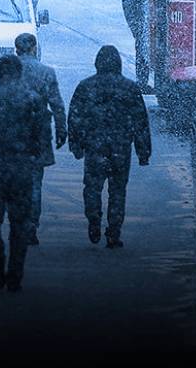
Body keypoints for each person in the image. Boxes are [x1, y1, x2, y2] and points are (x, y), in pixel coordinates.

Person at [0, 55, 47, 292]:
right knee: (20, 224)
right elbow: (40, 137)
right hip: (21, 169)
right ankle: (15, 273)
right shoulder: (32, 100)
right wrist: (33, 156)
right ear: (19, 73)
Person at [68, 46, 152, 248]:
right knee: (118, 191)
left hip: (94, 147)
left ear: (97, 63)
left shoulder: (85, 87)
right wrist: (143, 152)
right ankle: (114, 232)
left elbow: (75, 118)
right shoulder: (130, 88)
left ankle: (93, 219)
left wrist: (76, 144)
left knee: (92, 187)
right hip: (120, 148)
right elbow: (140, 121)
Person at [14, 32, 67, 245]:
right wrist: (61, 130)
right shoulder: (46, 72)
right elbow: (57, 104)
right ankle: (31, 226)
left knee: (13, 180)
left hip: (12, 133)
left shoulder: (9, 70)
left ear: (17, 49)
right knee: (35, 182)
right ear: (34, 48)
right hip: (38, 133)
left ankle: (17, 222)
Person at [114, 0, 152, 92]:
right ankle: (142, 82)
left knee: (141, 50)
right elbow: (131, 8)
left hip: (138, 22)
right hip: (139, 22)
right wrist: (138, 24)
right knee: (142, 51)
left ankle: (142, 81)